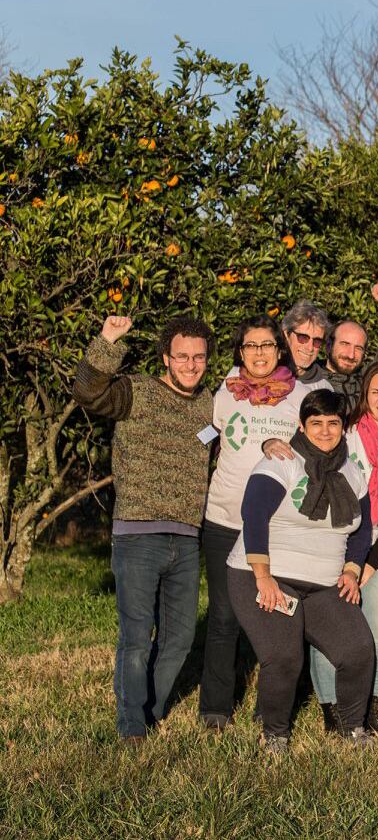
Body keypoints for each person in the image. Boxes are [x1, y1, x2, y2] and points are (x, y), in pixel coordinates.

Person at [72, 314, 215, 744]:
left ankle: (150, 710)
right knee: (136, 637)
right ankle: (132, 726)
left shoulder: (210, 402)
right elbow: (88, 392)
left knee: (180, 638)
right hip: (137, 535)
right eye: (182, 357)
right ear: (166, 359)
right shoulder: (137, 392)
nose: (191, 365)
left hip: (187, 538)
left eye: (199, 357)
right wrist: (108, 341)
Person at [227, 389, 375, 754]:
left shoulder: (353, 471)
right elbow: (254, 514)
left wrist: (352, 570)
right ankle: (274, 734)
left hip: (324, 585)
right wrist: (263, 577)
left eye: (333, 423)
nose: (325, 431)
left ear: (343, 427)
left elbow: (364, 528)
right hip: (266, 575)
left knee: (358, 649)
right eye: (316, 423)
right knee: (284, 657)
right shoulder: (282, 461)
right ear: (302, 425)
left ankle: (352, 728)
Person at [199, 317, 325, 730]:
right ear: (240, 351)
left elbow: (318, 446)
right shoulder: (225, 392)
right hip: (223, 519)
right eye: (250, 346)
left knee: (278, 620)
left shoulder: (304, 395)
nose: (259, 353)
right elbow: (204, 436)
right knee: (222, 618)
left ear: (279, 349)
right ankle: (215, 709)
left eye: (267, 345)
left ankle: (271, 707)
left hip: (277, 525)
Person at [315, 361, 378, 734]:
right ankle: (333, 710)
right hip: (334, 547)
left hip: (376, 553)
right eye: (376, 391)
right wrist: (348, 564)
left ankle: (377, 706)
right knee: (328, 630)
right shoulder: (346, 436)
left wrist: (368, 567)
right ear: (365, 395)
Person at [324, 279, 378, 406]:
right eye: (345, 344)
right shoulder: (309, 378)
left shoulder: (368, 379)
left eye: (358, 348)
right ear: (329, 346)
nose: (351, 355)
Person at [281, 300, 332, 385]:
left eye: (317, 341)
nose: (310, 347)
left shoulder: (324, 386)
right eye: (303, 337)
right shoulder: (263, 374)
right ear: (286, 334)